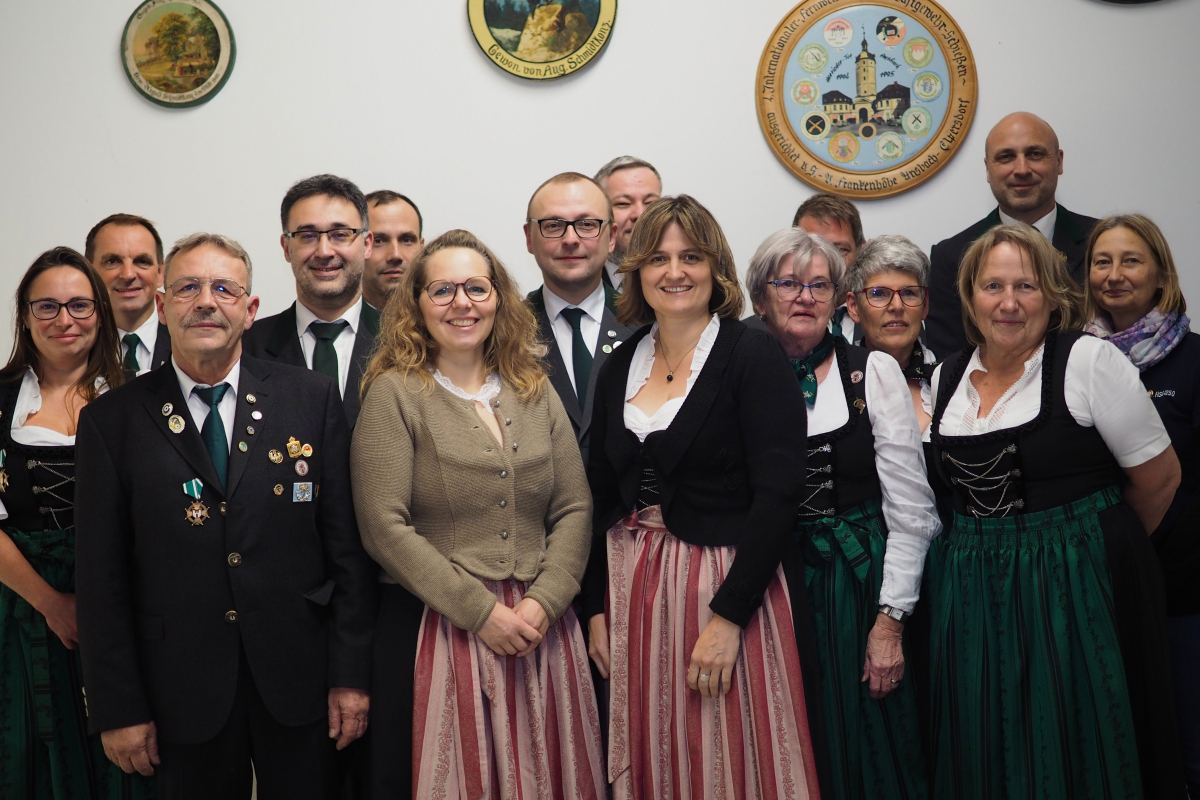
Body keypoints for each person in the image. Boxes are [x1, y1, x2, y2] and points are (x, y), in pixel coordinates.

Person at [75, 233, 377, 800]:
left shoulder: (309, 399)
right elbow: (100, 580)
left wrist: (350, 676)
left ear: (251, 309)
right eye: (187, 288)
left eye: (223, 288)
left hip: (300, 677)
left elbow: (347, 554)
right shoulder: (112, 421)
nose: (206, 302)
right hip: (178, 687)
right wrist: (119, 707)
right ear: (163, 307)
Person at [924, 222, 1186, 799]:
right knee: (988, 738)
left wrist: (1089, 550)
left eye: (1027, 286)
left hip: (1076, 587)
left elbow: (1160, 479)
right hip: (972, 591)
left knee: (1080, 734)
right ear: (969, 297)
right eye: (993, 287)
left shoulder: (1088, 361)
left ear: (1053, 293)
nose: (1010, 303)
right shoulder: (945, 378)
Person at [583, 195, 828, 798]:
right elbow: (595, 495)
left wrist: (728, 617)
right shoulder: (620, 365)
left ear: (715, 268)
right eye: (659, 258)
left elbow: (779, 493)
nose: (674, 272)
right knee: (654, 757)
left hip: (724, 585)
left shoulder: (752, 354)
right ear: (637, 270)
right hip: (633, 587)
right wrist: (593, 606)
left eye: (690, 256)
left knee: (726, 756)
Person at [351, 229, 604, 799]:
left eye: (476, 287)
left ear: (499, 299)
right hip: (446, 630)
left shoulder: (533, 388)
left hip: (543, 632)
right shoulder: (394, 394)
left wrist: (546, 600)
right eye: (442, 290)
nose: (461, 303)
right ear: (415, 305)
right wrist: (481, 612)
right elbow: (382, 526)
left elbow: (574, 505)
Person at [747, 228, 939, 799]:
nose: (804, 297)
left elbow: (912, 511)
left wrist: (889, 621)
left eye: (819, 285)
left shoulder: (872, 372)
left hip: (856, 585)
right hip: (770, 581)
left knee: (869, 743)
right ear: (761, 299)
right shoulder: (734, 374)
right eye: (788, 284)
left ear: (838, 299)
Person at [0, 247, 153, 799]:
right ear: (24, 315)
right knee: (26, 756)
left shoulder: (145, 395)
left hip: (128, 610)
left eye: (80, 306)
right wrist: (50, 602)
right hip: (21, 610)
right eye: (48, 307)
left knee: (132, 759)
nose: (65, 320)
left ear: (102, 312)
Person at [1083, 214, 1200, 798]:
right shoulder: (1072, 360)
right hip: (1101, 583)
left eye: (1131, 261)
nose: (1114, 275)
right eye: (1102, 262)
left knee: (1187, 740)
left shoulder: (1194, 360)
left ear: (1160, 273)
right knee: (1119, 738)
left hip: (1183, 583)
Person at [926, 112, 1099, 357]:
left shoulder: (1101, 244)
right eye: (1006, 157)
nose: (1021, 169)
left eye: (1035, 154)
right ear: (988, 169)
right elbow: (950, 361)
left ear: (1059, 161)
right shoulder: (951, 257)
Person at [243, 174, 382, 428]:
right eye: (307, 236)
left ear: (367, 244)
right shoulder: (246, 347)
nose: (324, 251)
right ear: (286, 248)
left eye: (340, 234)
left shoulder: (406, 343)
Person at [525, 172, 635, 467]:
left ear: (611, 237)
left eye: (587, 225)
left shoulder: (647, 325)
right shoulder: (504, 331)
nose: (571, 239)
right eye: (553, 226)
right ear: (529, 238)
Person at [845, 235, 938, 432]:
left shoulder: (952, 380)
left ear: (925, 305)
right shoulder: (836, 380)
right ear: (853, 307)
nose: (897, 306)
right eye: (879, 293)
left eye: (908, 293)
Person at [85, 214, 172, 378]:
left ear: (160, 273)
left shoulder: (186, 340)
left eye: (142, 261)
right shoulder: (75, 346)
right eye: (113, 261)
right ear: (89, 272)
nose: (128, 274)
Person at [594, 156, 662, 291]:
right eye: (623, 204)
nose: (640, 214)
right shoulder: (580, 282)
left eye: (650, 203)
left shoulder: (681, 279)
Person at [362, 190, 424, 311]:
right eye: (378, 241)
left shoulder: (441, 322)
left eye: (407, 240)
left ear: (422, 249)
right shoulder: (335, 321)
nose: (395, 255)